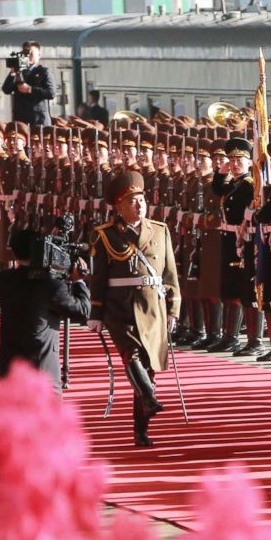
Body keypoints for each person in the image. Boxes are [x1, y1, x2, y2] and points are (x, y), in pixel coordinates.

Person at [88, 171, 181, 447]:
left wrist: (173, 308)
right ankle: (150, 398)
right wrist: (96, 313)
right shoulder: (104, 235)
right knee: (131, 354)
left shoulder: (160, 230)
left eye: (141, 199)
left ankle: (141, 428)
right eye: (131, 201)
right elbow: (98, 277)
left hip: (152, 307)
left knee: (148, 366)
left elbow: (170, 275)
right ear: (119, 207)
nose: (138, 205)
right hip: (121, 306)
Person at [0, 229, 92, 391]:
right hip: (40, 370)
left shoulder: (2, 280)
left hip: (8, 366)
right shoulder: (51, 287)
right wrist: (78, 282)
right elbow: (82, 311)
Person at [1, 40, 56, 126]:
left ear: (39, 55)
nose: (28, 56)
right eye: (26, 53)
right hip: (21, 120)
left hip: (39, 120)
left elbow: (51, 93)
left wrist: (30, 89)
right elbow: (6, 89)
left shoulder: (44, 72)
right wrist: (13, 71)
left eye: (31, 53)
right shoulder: (19, 71)